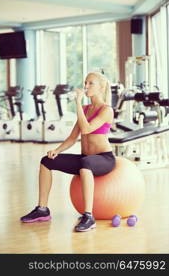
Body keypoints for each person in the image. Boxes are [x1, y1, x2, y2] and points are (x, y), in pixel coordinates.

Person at [20, 72, 116, 232]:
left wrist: (77, 103)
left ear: (101, 87)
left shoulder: (107, 110)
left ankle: (88, 216)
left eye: (90, 83)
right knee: (46, 161)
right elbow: (73, 137)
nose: (85, 86)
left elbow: (87, 129)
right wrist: (56, 150)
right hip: (86, 158)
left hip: (104, 159)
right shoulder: (85, 109)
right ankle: (42, 209)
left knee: (86, 164)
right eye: (85, 82)